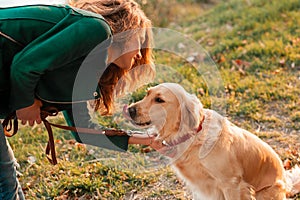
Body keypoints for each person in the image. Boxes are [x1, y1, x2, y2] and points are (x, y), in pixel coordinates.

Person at [0, 0, 164, 199]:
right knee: (5, 179)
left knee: (7, 175)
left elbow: (83, 129)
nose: (139, 54)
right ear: (127, 31)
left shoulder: (87, 69)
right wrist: (25, 103)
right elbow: (24, 66)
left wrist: (145, 139)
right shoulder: (96, 29)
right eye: (140, 41)